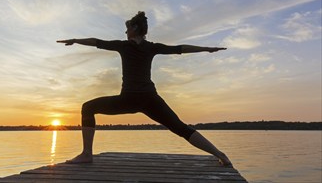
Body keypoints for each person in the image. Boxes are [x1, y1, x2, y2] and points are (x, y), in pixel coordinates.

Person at [57, 11, 232, 166]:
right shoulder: (152, 47)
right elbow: (180, 49)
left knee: (88, 108)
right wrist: (206, 49)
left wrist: (75, 40)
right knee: (180, 128)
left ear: (134, 28)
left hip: (128, 99)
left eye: (127, 29)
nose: (125, 33)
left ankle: (87, 154)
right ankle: (220, 154)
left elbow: (97, 42)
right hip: (150, 99)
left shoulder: (123, 45)